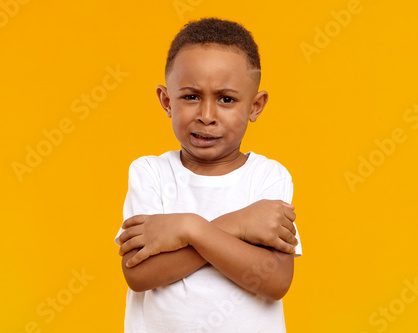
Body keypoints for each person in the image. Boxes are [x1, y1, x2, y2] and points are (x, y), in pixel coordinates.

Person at [115, 17, 302, 332]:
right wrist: (235, 225)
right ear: (166, 101)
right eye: (190, 96)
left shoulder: (268, 176)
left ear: (255, 106)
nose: (206, 116)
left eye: (226, 99)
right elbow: (138, 275)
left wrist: (188, 229)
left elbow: (275, 281)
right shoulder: (150, 173)